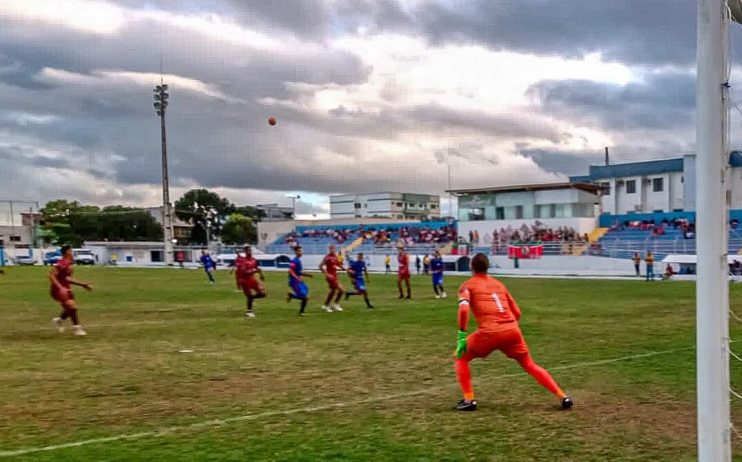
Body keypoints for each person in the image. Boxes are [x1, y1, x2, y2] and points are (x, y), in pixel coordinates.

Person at [453, 253, 572, 411]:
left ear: (471, 267)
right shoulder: (499, 284)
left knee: (461, 358)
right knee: (529, 364)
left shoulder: (467, 286)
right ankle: (562, 396)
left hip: (490, 331)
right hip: (511, 329)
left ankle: (469, 400)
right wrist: (507, 327)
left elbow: (463, 309)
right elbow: (517, 312)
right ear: (487, 267)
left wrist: (462, 334)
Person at [50, 245, 93, 336]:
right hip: (58, 290)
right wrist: (60, 288)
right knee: (72, 307)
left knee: (71, 309)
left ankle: (59, 320)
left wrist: (83, 284)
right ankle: (77, 329)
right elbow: (51, 275)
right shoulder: (62, 263)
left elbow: (68, 278)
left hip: (66, 289)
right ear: (67, 252)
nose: (73, 253)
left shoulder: (69, 265)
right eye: (71, 251)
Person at [236, 245, 266, 318]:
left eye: (250, 250)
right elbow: (244, 272)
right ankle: (249, 311)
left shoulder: (253, 259)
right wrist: (255, 271)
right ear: (245, 252)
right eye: (248, 250)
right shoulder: (243, 261)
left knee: (263, 294)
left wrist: (261, 274)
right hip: (245, 280)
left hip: (252, 279)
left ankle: (251, 299)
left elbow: (256, 267)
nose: (250, 251)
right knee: (249, 295)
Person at [287, 246, 313, 315]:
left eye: (301, 251)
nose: (300, 252)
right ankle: (301, 312)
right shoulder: (294, 261)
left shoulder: (298, 260)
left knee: (306, 291)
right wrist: (297, 278)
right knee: (305, 297)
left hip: (299, 281)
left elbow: (298, 272)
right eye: (298, 251)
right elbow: (290, 271)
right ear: (295, 252)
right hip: (294, 282)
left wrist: (307, 275)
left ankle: (292, 296)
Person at [319, 244, 344, 313]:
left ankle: (331, 304)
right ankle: (327, 306)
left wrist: (343, 268)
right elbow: (320, 266)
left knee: (340, 291)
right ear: (329, 249)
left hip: (335, 276)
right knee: (335, 290)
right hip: (330, 277)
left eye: (333, 249)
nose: (332, 250)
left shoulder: (335, 256)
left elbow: (338, 264)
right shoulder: (327, 257)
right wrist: (327, 274)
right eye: (331, 249)